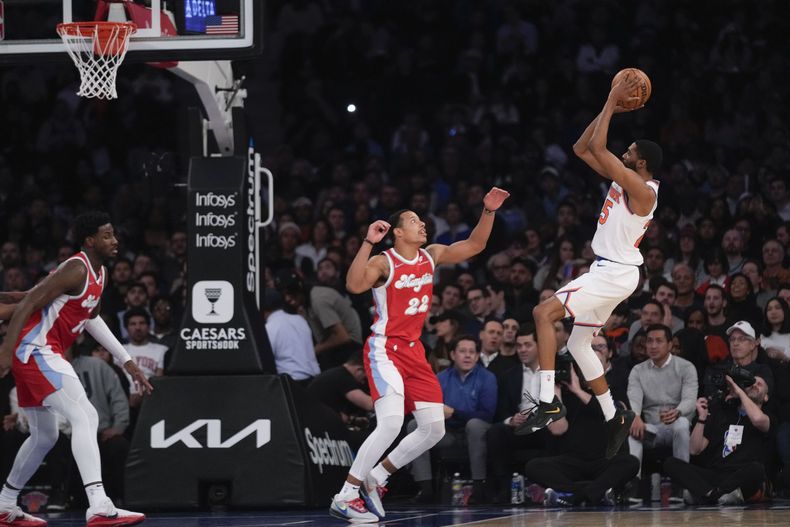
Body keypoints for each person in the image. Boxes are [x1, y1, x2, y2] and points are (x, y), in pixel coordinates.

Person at [329, 187, 509, 522]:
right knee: (391, 422)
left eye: (421, 220)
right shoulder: (383, 262)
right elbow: (354, 286)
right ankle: (346, 495)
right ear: (397, 232)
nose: (422, 224)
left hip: (414, 351)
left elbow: (475, 245)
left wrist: (488, 211)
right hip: (385, 348)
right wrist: (367, 242)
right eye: (414, 221)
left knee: (433, 428)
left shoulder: (432, 255)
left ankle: (376, 477)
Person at [527, 76, 662, 459]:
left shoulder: (642, 191)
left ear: (641, 163)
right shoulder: (626, 179)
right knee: (577, 343)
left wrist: (612, 100)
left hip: (614, 272)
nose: (625, 152)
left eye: (630, 151)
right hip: (610, 271)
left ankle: (547, 401)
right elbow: (582, 148)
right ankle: (613, 415)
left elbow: (599, 147)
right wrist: (610, 106)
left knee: (542, 313)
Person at [0, 211, 150, 527]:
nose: (115, 241)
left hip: (41, 353)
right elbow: (28, 305)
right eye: (107, 235)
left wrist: (126, 360)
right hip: (36, 350)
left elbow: (91, 319)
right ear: (90, 240)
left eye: (114, 234)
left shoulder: (100, 273)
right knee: (86, 416)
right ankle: (99, 504)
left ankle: (5, 504)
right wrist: (5, 351)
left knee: (45, 436)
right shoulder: (75, 268)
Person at [408, 335, 497, 503]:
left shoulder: (487, 378)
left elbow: (487, 414)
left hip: (478, 432)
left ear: (477, 356)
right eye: (462, 351)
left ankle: (479, 488)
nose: (467, 356)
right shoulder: (441, 378)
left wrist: (455, 413)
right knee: (415, 425)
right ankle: (425, 489)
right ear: (453, 355)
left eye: (472, 352)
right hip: (448, 432)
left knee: (475, 425)